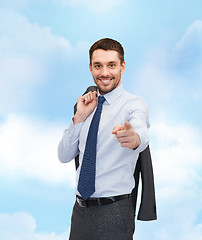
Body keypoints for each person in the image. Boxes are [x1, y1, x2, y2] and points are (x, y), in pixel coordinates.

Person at [58, 38, 150, 240]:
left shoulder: (133, 105)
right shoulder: (85, 105)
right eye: (98, 66)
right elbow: (63, 155)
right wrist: (79, 117)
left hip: (114, 211)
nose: (105, 73)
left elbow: (141, 134)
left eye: (112, 65)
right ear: (90, 68)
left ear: (122, 67)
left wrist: (133, 138)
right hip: (80, 210)